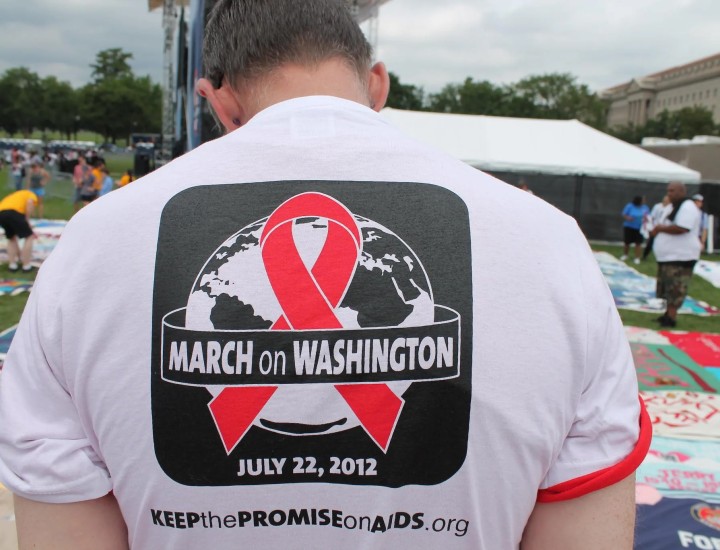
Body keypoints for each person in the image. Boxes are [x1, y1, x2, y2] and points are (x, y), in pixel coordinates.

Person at [0, 2, 649, 548]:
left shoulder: (93, 244)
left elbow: (61, 513)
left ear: (215, 100)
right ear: (378, 85)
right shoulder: (547, 242)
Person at [649, 182, 702, 328]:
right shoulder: (673, 207)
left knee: (676, 288)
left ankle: (671, 317)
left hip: (681, 256)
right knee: (666, 287)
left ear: (682, 191)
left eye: (672, 190)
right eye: (668, 190)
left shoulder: (688, 207)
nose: (669, 193)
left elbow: (682, 228)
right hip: (669, 256)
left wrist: (660, 229)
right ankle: (667, 313)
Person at [0, 190, 37, 272]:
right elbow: (30, 202)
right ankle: (26, 266)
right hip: (15, 213)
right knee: (29, 236)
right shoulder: (31, 194)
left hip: (1, 214)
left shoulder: (14, 195)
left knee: (11, 238)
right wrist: (27, 220)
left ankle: (12, 265)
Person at [620, 195, 649, 264]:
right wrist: (628, 218)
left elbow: (648, 216)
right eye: (643, 200)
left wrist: (646, 218)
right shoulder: (630, 206)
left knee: (638, 243)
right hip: (629, 227)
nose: (644, 201)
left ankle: (637, 258)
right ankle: (625, 255)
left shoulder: (645, 207)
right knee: (627, 242)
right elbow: (624, 214)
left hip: (640, 228)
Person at [642, 194, 671, 260]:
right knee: (650, 242)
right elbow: (652, 217)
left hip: (664, 228)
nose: (666, 200)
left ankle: (662, 257)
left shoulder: (670, 208)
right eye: (665, 198)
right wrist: (651, 226)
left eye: (668, 199)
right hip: (655, 227)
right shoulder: (657, 206)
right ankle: (645, 256)